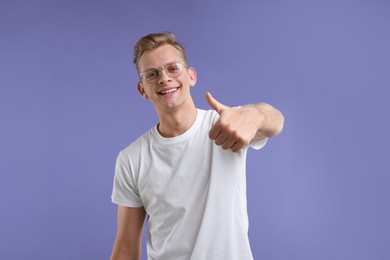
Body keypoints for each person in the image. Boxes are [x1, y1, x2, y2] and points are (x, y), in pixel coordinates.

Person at [110, 32, 284, 260]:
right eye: (152, 74)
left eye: (173, 68)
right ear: (142, 89)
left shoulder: (226, 125)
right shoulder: (131, 158)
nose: (164, 78)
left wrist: (255, 114)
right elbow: (125, 249)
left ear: (191, 76)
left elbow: (275, 121)